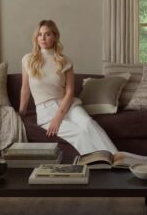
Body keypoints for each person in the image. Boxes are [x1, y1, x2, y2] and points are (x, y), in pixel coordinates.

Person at [19, 20, 117, 155]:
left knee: (88, 123)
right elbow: (25, 89)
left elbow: (70, 91)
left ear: (55, 36)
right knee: (79, 134)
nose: (42, 38)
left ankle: (118, 158)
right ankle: (99, 163)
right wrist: (21, 113)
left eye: (47, 34)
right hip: (45, 111)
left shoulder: (65, 61)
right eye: (40, 34)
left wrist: (58, 116)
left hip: (67, 105)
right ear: (36, 37)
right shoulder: (27, 60)